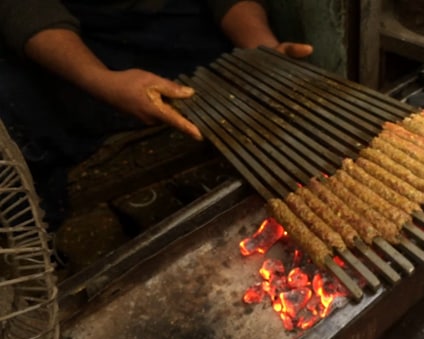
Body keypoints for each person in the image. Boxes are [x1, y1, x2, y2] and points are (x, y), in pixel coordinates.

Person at [0, 0, 312, 226]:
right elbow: (26, 10)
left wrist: (261, 52)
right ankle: (44, 222)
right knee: (15, 101)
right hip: (81, 36)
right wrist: (104, 82)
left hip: (173, 22)